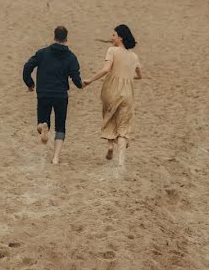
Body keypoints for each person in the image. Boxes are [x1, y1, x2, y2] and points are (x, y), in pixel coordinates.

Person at [83, 25, 143, 166]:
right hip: (127, 93)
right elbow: (140, 76)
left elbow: (105, 70)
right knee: (123, 127)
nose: (112, 38)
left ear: (120, 37)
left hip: (111, 91)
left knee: (109, 117)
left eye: (114, 35)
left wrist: (90, 80)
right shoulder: (134, 56)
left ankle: (110, 145)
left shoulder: (112, 50)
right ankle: (121, 162)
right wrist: (126, 76)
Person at [22, 26, 83, 164]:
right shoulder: (71, 57)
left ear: (54, 37)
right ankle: (55, 158)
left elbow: (27, 67)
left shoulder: (42, 53)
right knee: (60, 126)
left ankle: (42, 126)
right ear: (66, 39)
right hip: (61, 95)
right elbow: (76, 78)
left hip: (43, 93)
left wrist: (30, 83)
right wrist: (81, 84)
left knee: (42, 120)